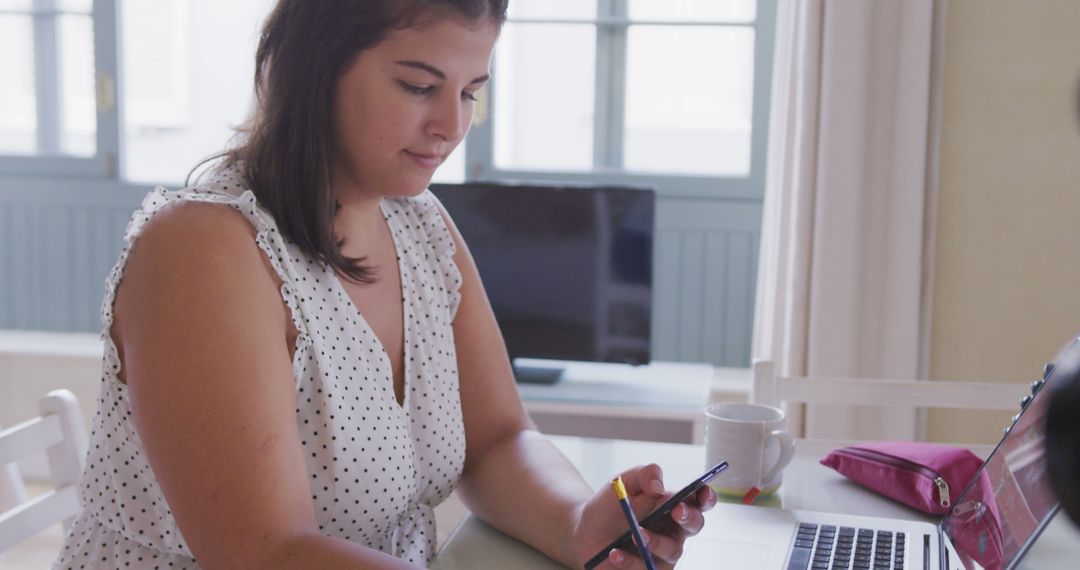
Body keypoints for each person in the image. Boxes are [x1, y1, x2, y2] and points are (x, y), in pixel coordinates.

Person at [52, 1, 715, 568]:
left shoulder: (419, 222)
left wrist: (579, 522)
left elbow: (497, 440)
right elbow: (265, 553)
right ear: (316, 70)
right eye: (418, 86)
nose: (452, 126)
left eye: (469, 92)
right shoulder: (202, 251)